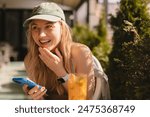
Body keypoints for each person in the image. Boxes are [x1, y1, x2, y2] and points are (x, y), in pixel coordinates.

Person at [22, 2, 110, 100]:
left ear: (62, 28)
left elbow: (84, 100)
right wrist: (35, 95)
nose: (41, 35)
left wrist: (60, 71)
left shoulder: (80, 53)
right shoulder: (30, 59)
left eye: (49, 26)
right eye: (35, 28)